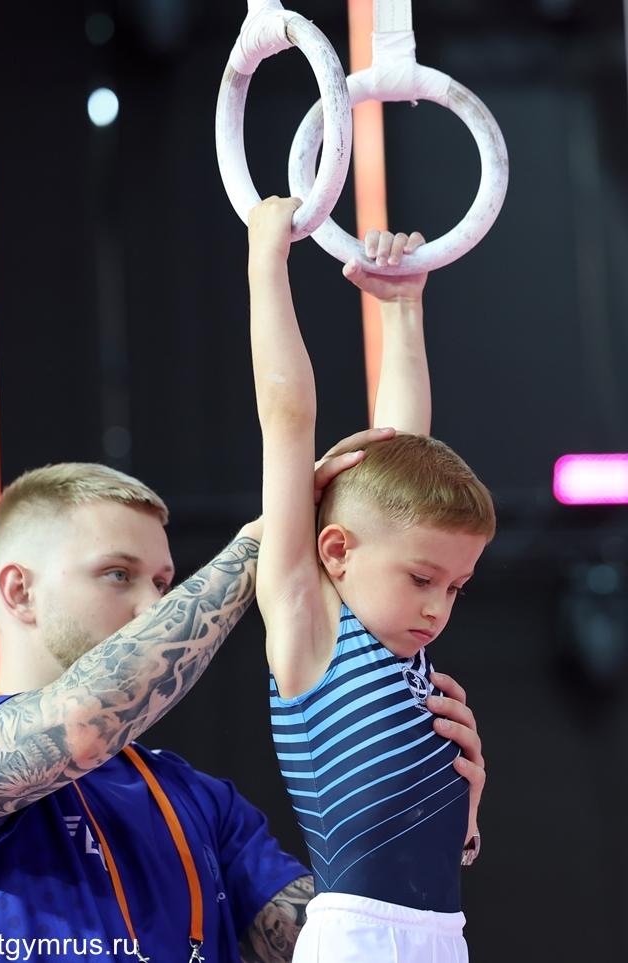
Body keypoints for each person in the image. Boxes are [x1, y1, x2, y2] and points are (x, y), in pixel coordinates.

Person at [0, 409, 486, 961]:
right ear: (19, 590)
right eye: (118, 574)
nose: (154, 604)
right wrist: (269, 538)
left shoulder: (198, 799)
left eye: (164, 583)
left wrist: (427, 817)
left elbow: (327, 938)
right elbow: (81, 724)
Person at [247, 196, 494, 962]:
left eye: (455, 587)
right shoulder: (309, 624)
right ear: (335, 549)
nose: (437, 606)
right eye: (423, 578)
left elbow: (402, 450)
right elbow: (288, 421)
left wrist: (403, 311)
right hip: (356, 936)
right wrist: (266, 261)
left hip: (442, 935)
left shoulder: (401, 648)